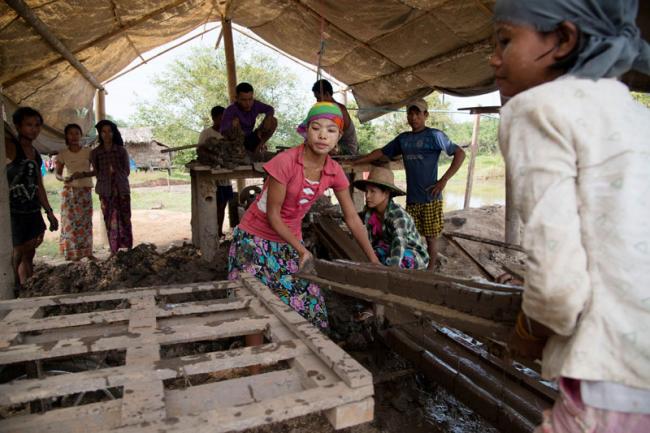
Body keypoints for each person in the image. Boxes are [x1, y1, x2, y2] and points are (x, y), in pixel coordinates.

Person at [492, 0, 650, 431]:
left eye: (505, 40)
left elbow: (558, 289)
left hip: (611, 379)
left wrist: (529, 331)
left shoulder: (538, 109)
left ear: (563, 39)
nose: (494, 58)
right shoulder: (637, 116)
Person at [228, 102, 380, 331]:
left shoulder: (334, 171)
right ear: (306, 130)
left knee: (310, 308)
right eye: (316, 128)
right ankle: (256, 354)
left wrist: (373, 260)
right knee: (254, 307)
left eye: (331, 130)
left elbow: (352, 218)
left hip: (290, 240)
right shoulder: (285, 162)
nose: (323, 135)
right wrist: (302, 250)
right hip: (254, 238)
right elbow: (273, 216)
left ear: (339, 136)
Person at [354, 99, 465, 270]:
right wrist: (358, 161)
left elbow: (460, 153)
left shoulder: (435, 136)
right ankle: (415, 266)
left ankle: (430, 271)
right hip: (412, 197)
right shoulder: (403, 139)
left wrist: (443, 181)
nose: (413, 117)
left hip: (431, 197)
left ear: (425, 115)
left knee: (431, 237)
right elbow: (381, 152)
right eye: (410, 114)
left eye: (417, 113)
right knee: (411, 235)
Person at [6, 107, 58, 289]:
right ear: (18, 126)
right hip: (14, 209)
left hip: (32, 207)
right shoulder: (10, 147)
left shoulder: (35, 153)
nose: (34, 129)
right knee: (18, 250)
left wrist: (49, 211)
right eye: (29, 125)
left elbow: (39, 185)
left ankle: (27, 285)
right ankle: (14, 287)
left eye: (37, 125)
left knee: (30, 250)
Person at [354, 166, 429, 269]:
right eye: (366, 191)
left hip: (411, 252)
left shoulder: (398, 215)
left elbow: (399, 243)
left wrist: (392, 270)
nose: (367, 196)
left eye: (372, 191)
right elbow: (355, 218)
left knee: (401, 261)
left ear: (386, 193)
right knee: (368, 255)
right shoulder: (369, 212)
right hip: (387, 248)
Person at [91, 119, 132, 256]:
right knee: (110, 220)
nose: (107, 134)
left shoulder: (121, 151)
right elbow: (96, 172)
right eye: (103, 131)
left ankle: (127, 249)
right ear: (100, 134)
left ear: (114, 133)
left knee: (125, 219)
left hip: (121, 189)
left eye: (109, 131)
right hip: (105, 191)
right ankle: (115, 251)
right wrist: (107, 177)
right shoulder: (95, 153)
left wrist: (116, 175)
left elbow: (127, 171)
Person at [55, 124, 95, 261]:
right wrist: (63, 178)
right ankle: (72, 255)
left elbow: (96, 170)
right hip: (69, 192)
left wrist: (83, 174)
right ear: (66, 136)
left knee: (85, 222)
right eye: (71, 133)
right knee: (70, 223)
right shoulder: (62, 153)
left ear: (81, 135)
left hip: (84, 191)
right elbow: (57, 174)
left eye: (76, 133)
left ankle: (88, 253)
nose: (74, 136)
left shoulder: (88, 152)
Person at [199, 105, 232, 238]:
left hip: (225, 178)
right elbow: (200, 151)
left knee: (222, 206)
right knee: (211, 207)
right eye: (220, 119)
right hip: (212, 179)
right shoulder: (206, 133)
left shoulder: (228, 134)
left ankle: (219, 232)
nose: (224, 122)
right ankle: (210, 233)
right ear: (213, 118)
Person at [220, 82, 277, 153]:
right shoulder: (230, 110)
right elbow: (223, 131)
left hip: (251, 138)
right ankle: (239, 152)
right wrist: (233, 126)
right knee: (235, 121)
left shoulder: (255, 105)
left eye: (250, 99)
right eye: (244, 100)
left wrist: (268, 117)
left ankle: (258, 148)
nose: (248, 103)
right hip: (237, 143)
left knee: (273, 121)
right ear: (237, 98)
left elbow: (270, 109)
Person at [312, 79, 358, 155]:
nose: (317, 101)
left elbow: (336, 135)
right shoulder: (327, 111)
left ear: (327, 94)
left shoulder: (340, 109)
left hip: (347, 149)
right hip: (334, 146)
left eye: (319, 98)